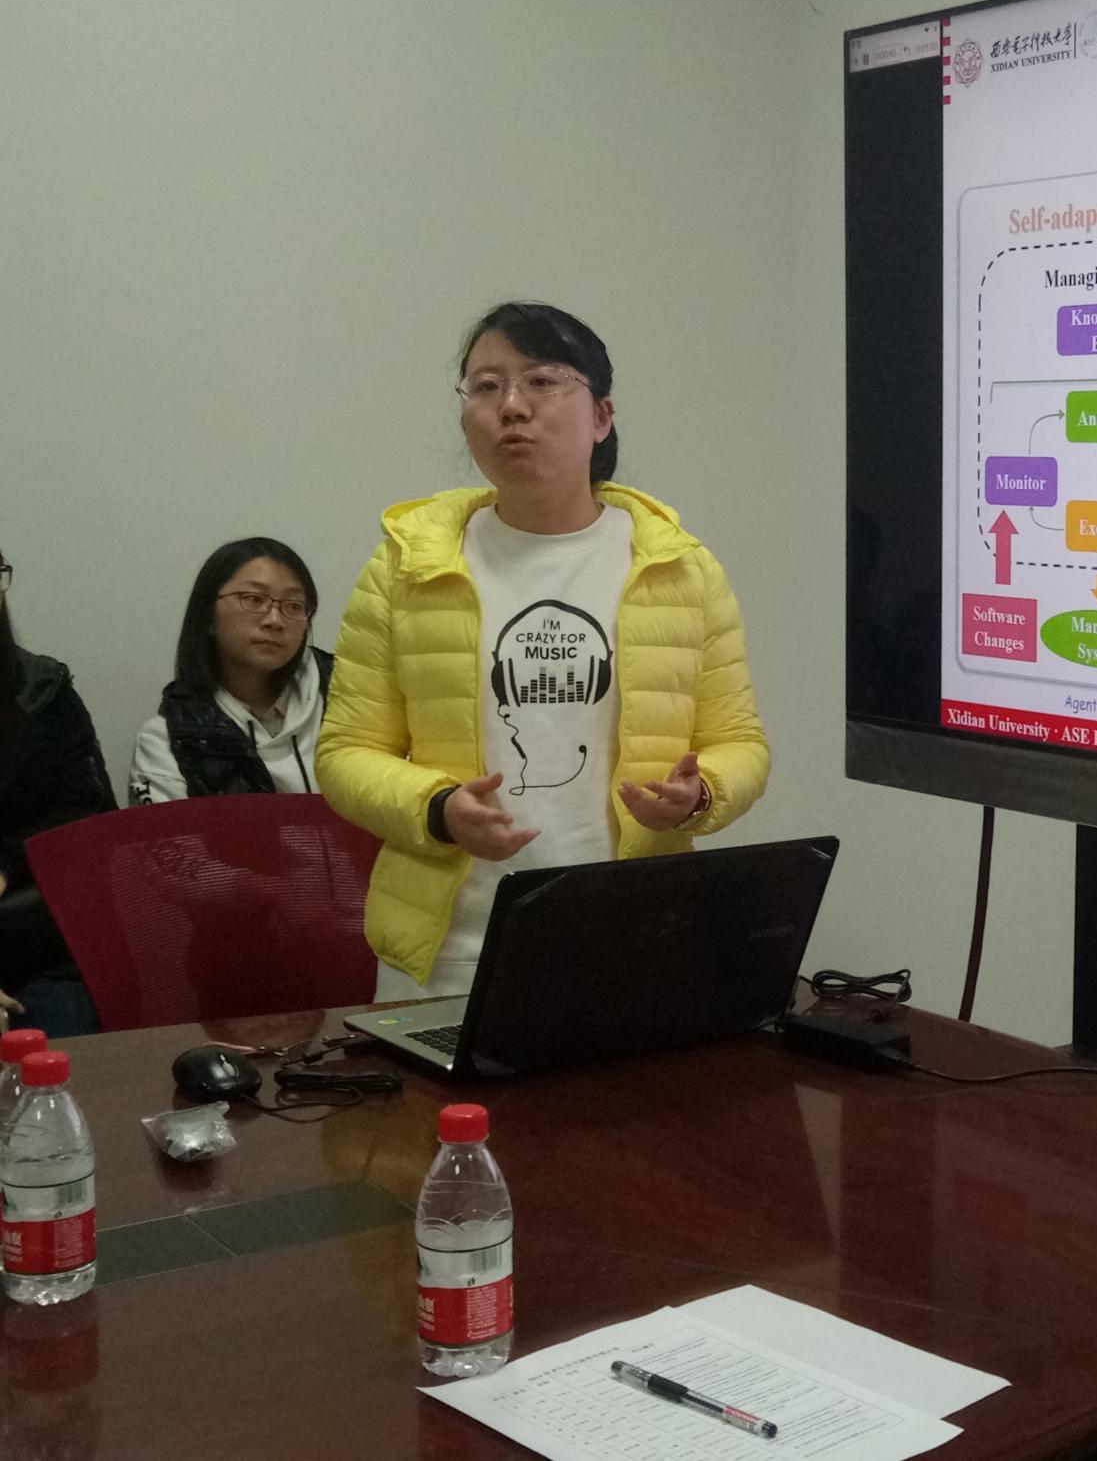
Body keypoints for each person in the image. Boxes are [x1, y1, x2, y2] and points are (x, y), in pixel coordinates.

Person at [317, 302, 770, 1000]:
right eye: (486, 386)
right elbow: (345, 753)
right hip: (451, 950)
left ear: (602, 416)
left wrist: (698, 795)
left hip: (633, 937)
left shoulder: (679, 569)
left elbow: (739, 742)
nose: (511, 406)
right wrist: (438, 808)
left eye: (542, 381)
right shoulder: (406, 568)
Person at [0, 546, 117, 1034]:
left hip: (35, 948)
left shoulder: (44, 690)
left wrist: (7, 863)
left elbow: (88, 819)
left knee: (60, 1037)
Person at [129, 538, 332, 803]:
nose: (275, 620)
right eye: (254, 599)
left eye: (294, 605)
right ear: (208, 613)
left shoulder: (352, 696)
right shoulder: (167, 740)